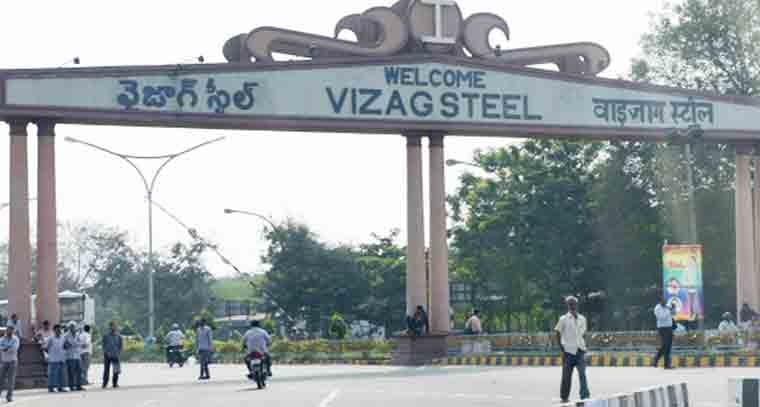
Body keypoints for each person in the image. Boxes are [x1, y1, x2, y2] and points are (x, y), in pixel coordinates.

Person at [555, 296, 590, 403]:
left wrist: (584, 345)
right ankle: (564, 397)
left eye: (573, 303)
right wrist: (561, 347)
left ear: (577, 305)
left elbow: (584, 334)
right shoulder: (563, 319)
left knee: (582, 374)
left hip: (580, 351)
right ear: (567, 305)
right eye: (570, 304)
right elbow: (557, 332)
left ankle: (585, 396)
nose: (572, 306)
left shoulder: (582, 318)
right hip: (568, 352)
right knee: (566, 376)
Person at [653, 297, 675, 370]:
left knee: (668, 346)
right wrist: (669, 311)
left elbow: (673, 314)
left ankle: (666, 364)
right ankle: (657, 358)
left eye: (665, 301)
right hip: (662, 328)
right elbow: (661, 317)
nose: (665, 303)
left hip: (669, 327)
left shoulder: (667, 307)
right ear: (660, 302)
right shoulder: (657, 308)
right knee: (665, 345)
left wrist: (673, 309)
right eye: (663, 302)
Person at [44, 324, 67, 393]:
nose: (59, 331)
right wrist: (50, 355)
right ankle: (51, 387)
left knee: (61, 374)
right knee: (52, 374)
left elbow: (64, 346)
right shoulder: (50, 338)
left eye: (60, 330)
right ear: (54, 330)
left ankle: (60, 387)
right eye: (57, 330)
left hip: (61, 358)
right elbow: (45, 348)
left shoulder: (63, 338)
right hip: (53, 359)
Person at [0, 326, 20, 402]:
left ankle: (9, 396)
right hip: (4, 361)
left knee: (11, 380)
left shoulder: (16, 339)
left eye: (12, 330)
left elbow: (14, 348)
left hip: (13, 361)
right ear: (6, 330)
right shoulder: (2, 339)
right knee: (1, 379)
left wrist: (5, 348)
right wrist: (7, 348)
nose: (10, 332)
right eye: (9, 330)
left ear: (13, 331)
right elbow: (0, 347)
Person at [102, 321, 123, 389]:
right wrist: (106, 352)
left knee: (116, 370)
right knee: (106, 370)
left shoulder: (119, 336)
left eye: (114, 326)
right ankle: (104, 384)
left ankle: (115, 383)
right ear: (109, 327)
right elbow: (103, 345)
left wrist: (119, 353)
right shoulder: (105, 336)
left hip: (116, 355)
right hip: (107, 355)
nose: (113, 327)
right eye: (112, 326)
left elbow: (121, 346)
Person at [64, 322, 84, 391]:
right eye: (71, 326)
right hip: (70, 356)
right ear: (69, 328)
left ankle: (79, 385)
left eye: (74, 326)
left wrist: (73, 344)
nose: (73, 328)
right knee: (71, 372)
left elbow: (81, 343)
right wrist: (74, 344)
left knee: (79, 371)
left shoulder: (78, 335)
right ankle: (71, 386)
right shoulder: (66, 335)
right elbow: (66, 345)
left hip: (77, 355)